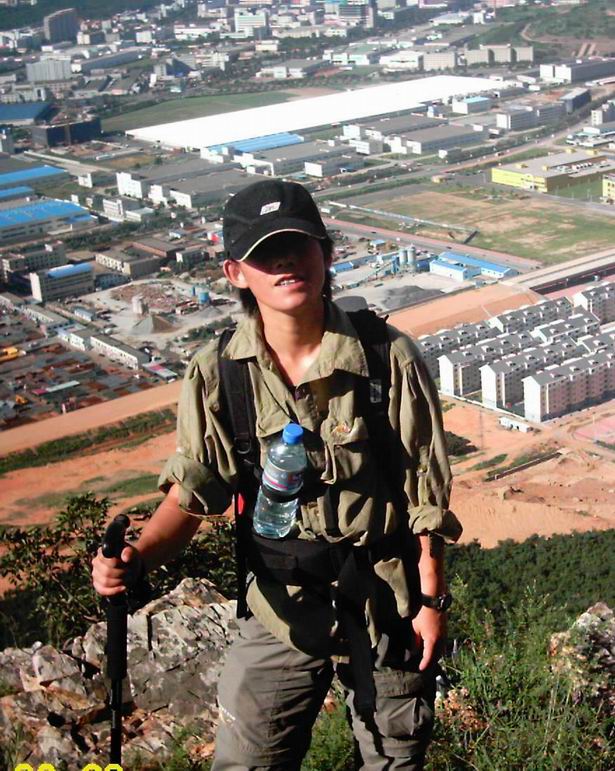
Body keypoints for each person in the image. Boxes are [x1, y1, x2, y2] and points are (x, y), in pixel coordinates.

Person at [92, 179, 462, 770]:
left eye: (298, 245)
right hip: (278, 605)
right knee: (247, 760)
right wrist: (136, 558)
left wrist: (430, 600)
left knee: (394, 760)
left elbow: (425, 489)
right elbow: (193, 493)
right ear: (236, 273)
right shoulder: (218, 371)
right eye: (265, 254)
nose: (286, 263)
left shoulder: (386, 357)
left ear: (326, 253)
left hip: (384, 601)